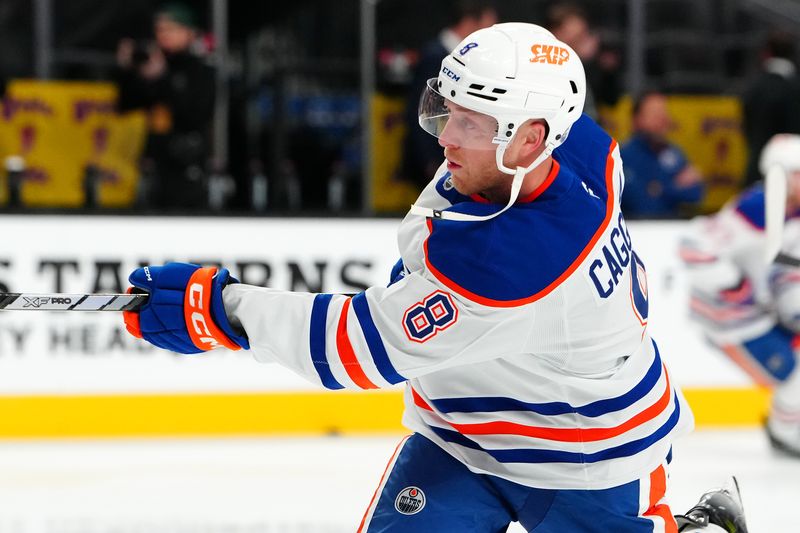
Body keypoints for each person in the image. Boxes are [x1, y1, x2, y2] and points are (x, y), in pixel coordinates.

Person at [122, 23, 744, 532]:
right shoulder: (576, 143)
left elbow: (355, 349)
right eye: (449, 111)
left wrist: (221, 309)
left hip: (588, 456)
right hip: (462, 434)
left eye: (471, 124)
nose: (446, 137)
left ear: (531, 140)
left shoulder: (515, 260)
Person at [680, 133, 800, 460]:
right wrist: (736, 287)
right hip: (732, 322)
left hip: (756, 314)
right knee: (793, 374)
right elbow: (694, 248)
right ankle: (785, 433)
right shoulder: (757, 208)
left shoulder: (790, 211)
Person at [115, 2, 216, 210]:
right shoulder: (152, 64)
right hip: (152, 166)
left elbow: (195, 115)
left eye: (170, 28)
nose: (163, 35)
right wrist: (129, 72)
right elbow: (125, 105)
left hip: (186, 167)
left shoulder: (199, 71)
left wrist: (162, 78)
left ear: (188, 32)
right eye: (159, 29)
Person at [399, 0, 497, 191]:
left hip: (454, 158)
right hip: (435, 159)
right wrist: (430, 160)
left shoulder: (457, 58)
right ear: (470, 22)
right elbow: (420, 111)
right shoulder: (436, 56)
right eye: (487, 26)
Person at [621, 91, 705, 218]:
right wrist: (674, 187)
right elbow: (640, 203)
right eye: (655, 115)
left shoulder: (673, 153)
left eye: (664, 114)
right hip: (635, 230)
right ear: (637, 119)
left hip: (670, 230)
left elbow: (696, 193)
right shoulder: (622, 156)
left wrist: (661, 189)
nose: (662, 120)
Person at [742, 31, 800, 187]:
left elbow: (747, 128)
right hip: (792, 176)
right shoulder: (795, 87)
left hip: (757, 172)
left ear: (766, 54)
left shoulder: (753, 88)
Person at [547, 2, 621, 119]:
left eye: (581, 36)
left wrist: (606, 70)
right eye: (574, 37)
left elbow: (611, 101)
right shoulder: (543, 63)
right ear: (554, 32)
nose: (579, 43)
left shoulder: (591, 64)